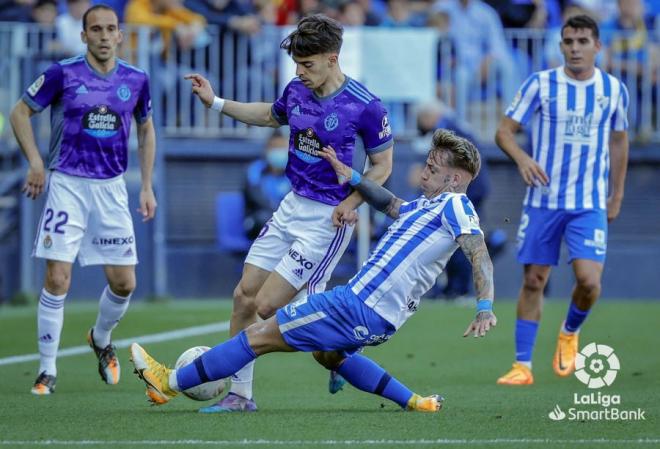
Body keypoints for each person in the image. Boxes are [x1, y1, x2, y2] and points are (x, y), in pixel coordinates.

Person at [129, 129, 497, 412]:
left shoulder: (456, 205)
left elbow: (477, 251)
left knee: (258, 335)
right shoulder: (423, 208)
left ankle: (169, 382)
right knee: (329, 355)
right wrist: (351, 176)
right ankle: (415, 401)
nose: (425, 171)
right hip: (377, 318)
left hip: (355, 306)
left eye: (433, 168)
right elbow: (390, 203)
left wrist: (484, 306)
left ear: (454, 179)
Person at [184, 14, 393, 412]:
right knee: (244, 297)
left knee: (268, 307)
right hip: (291, 206)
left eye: (308, 64)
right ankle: (240, 395)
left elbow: (382, 166)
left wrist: (352, 202)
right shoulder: (296, 90)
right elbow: (268, 115)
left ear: (333, 59)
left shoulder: (366, 106)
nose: (300, 72)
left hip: (327, 217)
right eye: (297, 64)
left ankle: (340, 346)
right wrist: (216, 102)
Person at [9, 4, 157, 395]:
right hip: (67, 185)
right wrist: (36, 162)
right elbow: (20, 112)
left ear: (121, 35)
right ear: (84, 35)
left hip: (111, 188)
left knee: (124, 283)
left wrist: (145, 186)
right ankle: (47, 370)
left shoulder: (137, 79)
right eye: (97, 29)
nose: (105, 36)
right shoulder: (63, 72)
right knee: (58, 278)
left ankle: (101, 337)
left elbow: (146, 129)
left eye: (111, 29)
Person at [494, 14, 629, 385]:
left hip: (588, 202)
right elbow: (504, 132)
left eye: (583, 41)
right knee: (534, 280)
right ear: (561, 46)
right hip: (543, 201)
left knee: (588, 282)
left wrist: (616, 195)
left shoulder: (614, 90)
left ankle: (569, 332)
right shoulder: (541, 84)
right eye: (569, 42)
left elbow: (619, 141)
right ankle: (523, 366)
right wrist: (522, 158)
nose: (575, 48)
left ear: (597, 46)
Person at [243, 132, 291, 240]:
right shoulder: (255, 170)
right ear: (266, 150)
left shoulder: (292, 174)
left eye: (281, 147)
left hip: (284, 223)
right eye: (274, 147)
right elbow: (257, 200)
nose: (278, 151)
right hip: (256, 221)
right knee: (266, 218)